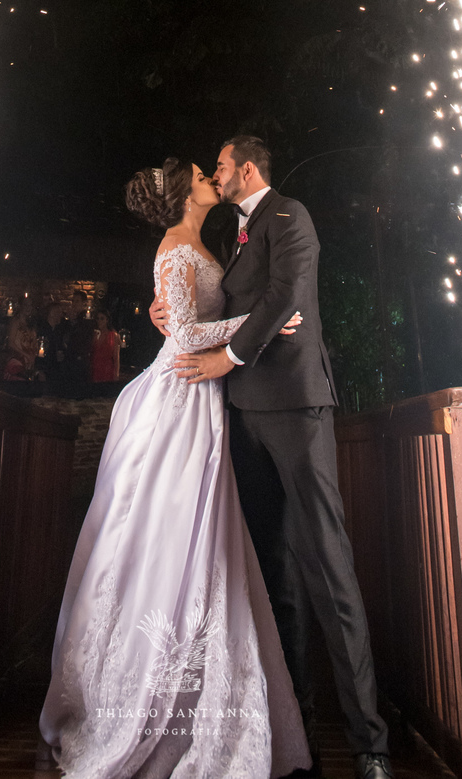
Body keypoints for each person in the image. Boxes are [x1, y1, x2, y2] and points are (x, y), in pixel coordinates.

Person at [39, 158, 310, 779]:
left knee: (207, 541)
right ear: (183, 193)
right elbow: (186, 333)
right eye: (200, 173)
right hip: (182, 398)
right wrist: (261, 323)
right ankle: (140, 702)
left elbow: (182, 318)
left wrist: (212, 322)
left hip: (201, 395)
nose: (211, 177)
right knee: (169, 538)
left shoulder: (197, 243)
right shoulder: (173, 248)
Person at [173, 137, 392, 779]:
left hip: (295, 408)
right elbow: (235, 305)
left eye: (220, 164)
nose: (215, 174)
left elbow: (288, 291)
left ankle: (370, 744)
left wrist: (230, 354)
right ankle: (299, 736)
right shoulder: (236, 238)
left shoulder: (289, 214)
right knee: (276, 575)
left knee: (328, 563)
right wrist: (174, 312)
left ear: (247, 168)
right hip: (242, 415)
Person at [89, 308, 121, 386]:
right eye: (98, 319)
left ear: (107, 320)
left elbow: (116, 357)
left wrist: (116, 374)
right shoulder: (94, 334)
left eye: (102, 319)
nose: (99, 321)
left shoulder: (114, 335)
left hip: (107, 370)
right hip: (95, 369)